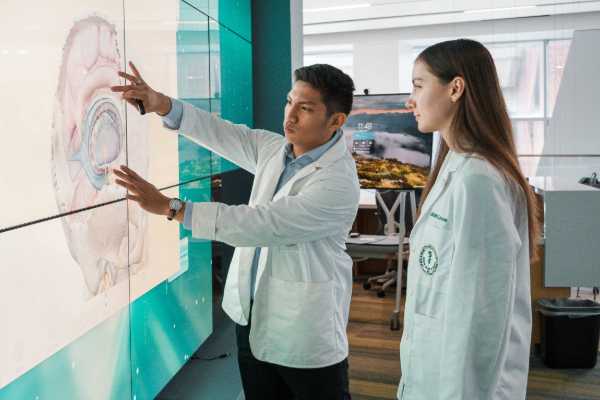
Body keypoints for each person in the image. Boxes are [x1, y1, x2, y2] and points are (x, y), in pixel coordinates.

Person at [110, 61, 359, 400]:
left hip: (306, 333)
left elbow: (262, 225)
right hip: (252, 318)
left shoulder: (338, 182)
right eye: (289, 102)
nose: (290, 116)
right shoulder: (275, 150)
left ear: (336, 120)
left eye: (305, 108)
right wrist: (162, 104)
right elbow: (221, 132)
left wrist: (173, 208)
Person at [398, 39, 541, 400]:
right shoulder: (456, 165)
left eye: (418, 86)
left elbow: (480, 314)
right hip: (433, 369)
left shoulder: (479, 179)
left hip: (462, 386)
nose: (409, 101)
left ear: (455, 88)